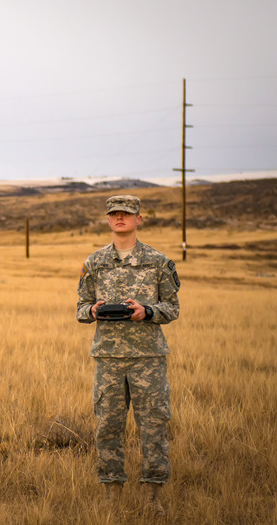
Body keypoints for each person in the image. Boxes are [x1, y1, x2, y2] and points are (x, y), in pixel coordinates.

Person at [76, 195, 180, 516]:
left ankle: (153, 497)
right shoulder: (94, 263)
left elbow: (172, 308)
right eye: (114, 214)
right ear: (108, 220)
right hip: (108, 359)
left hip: (147, 358)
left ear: (139, 219)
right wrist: (92, 310)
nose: (120, 218)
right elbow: (80, 307)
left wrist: (146, 311)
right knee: (107, 425)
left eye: (126, 213)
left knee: (152, 425)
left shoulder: (158, 262)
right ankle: (112, 495)